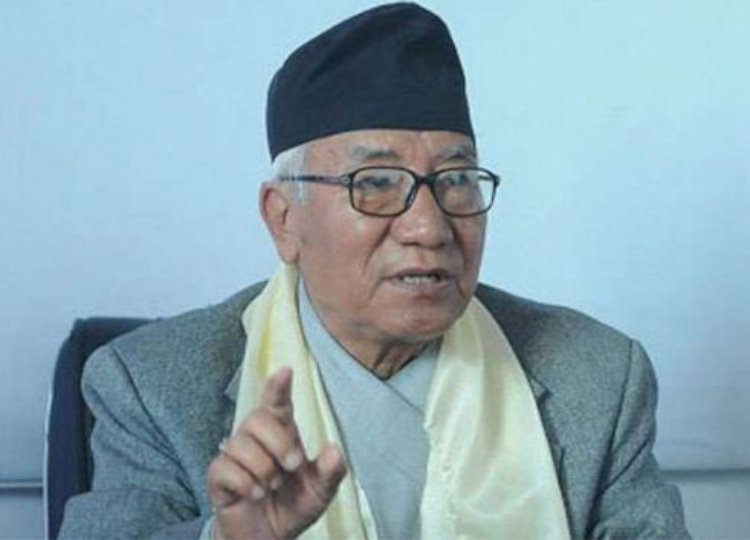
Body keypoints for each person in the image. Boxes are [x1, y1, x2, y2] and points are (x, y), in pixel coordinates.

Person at [60, 3, 690, 539]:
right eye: (377, 183)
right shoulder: (150, 385)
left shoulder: (596, 375)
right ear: (284, 219)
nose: (429, 227)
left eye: (457, 180)